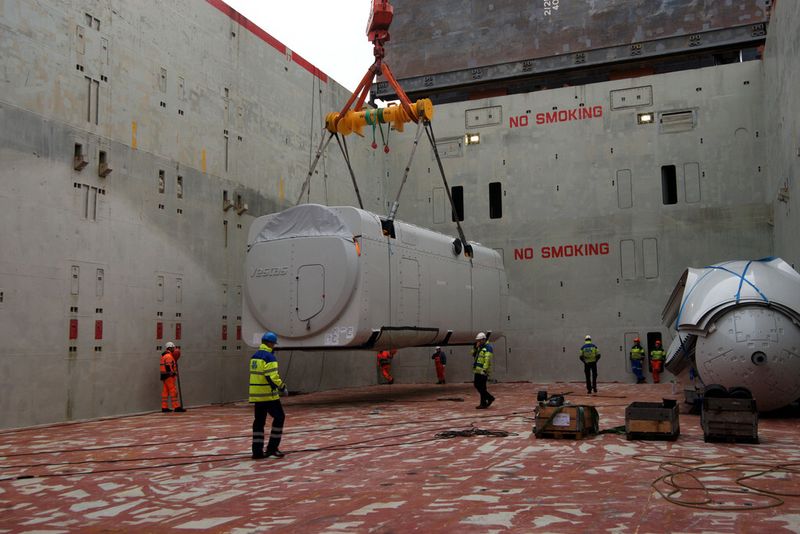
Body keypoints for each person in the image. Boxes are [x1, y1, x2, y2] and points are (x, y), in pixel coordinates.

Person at [250, 331, 287, 459]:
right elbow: (272, 377)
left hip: (257, 396)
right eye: (274, 344)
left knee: (259, 422)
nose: (274, 346)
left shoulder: (255, 356)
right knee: (280, 417)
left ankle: (257, 451)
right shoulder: (269, 357)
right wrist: (282, 387)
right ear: (270, 343)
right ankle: (272, 448)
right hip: (268, 395)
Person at [160, 342, 185, 412]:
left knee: (165, 391)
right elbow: (168, 366)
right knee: (173, 391)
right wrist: (173, 373)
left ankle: (164, 407)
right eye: (173, 348)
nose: (174, 349)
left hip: (164, 376)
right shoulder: (169, 356)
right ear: (170, 348)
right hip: (169, 376)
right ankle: (176, 407)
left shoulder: (164, 356)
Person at [472, 332, 495, 409]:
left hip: (483, 371)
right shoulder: (479, 347)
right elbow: (473, 355)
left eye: (479, 340)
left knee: (481, 387)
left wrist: (484, 370)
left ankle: (487, 400)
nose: (478, 342)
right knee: (478, 386)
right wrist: (475, 348)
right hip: (477, 370)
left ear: (484, 339)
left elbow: (487, 359)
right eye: (477, 340)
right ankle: (486, 401)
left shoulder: (488, 347)